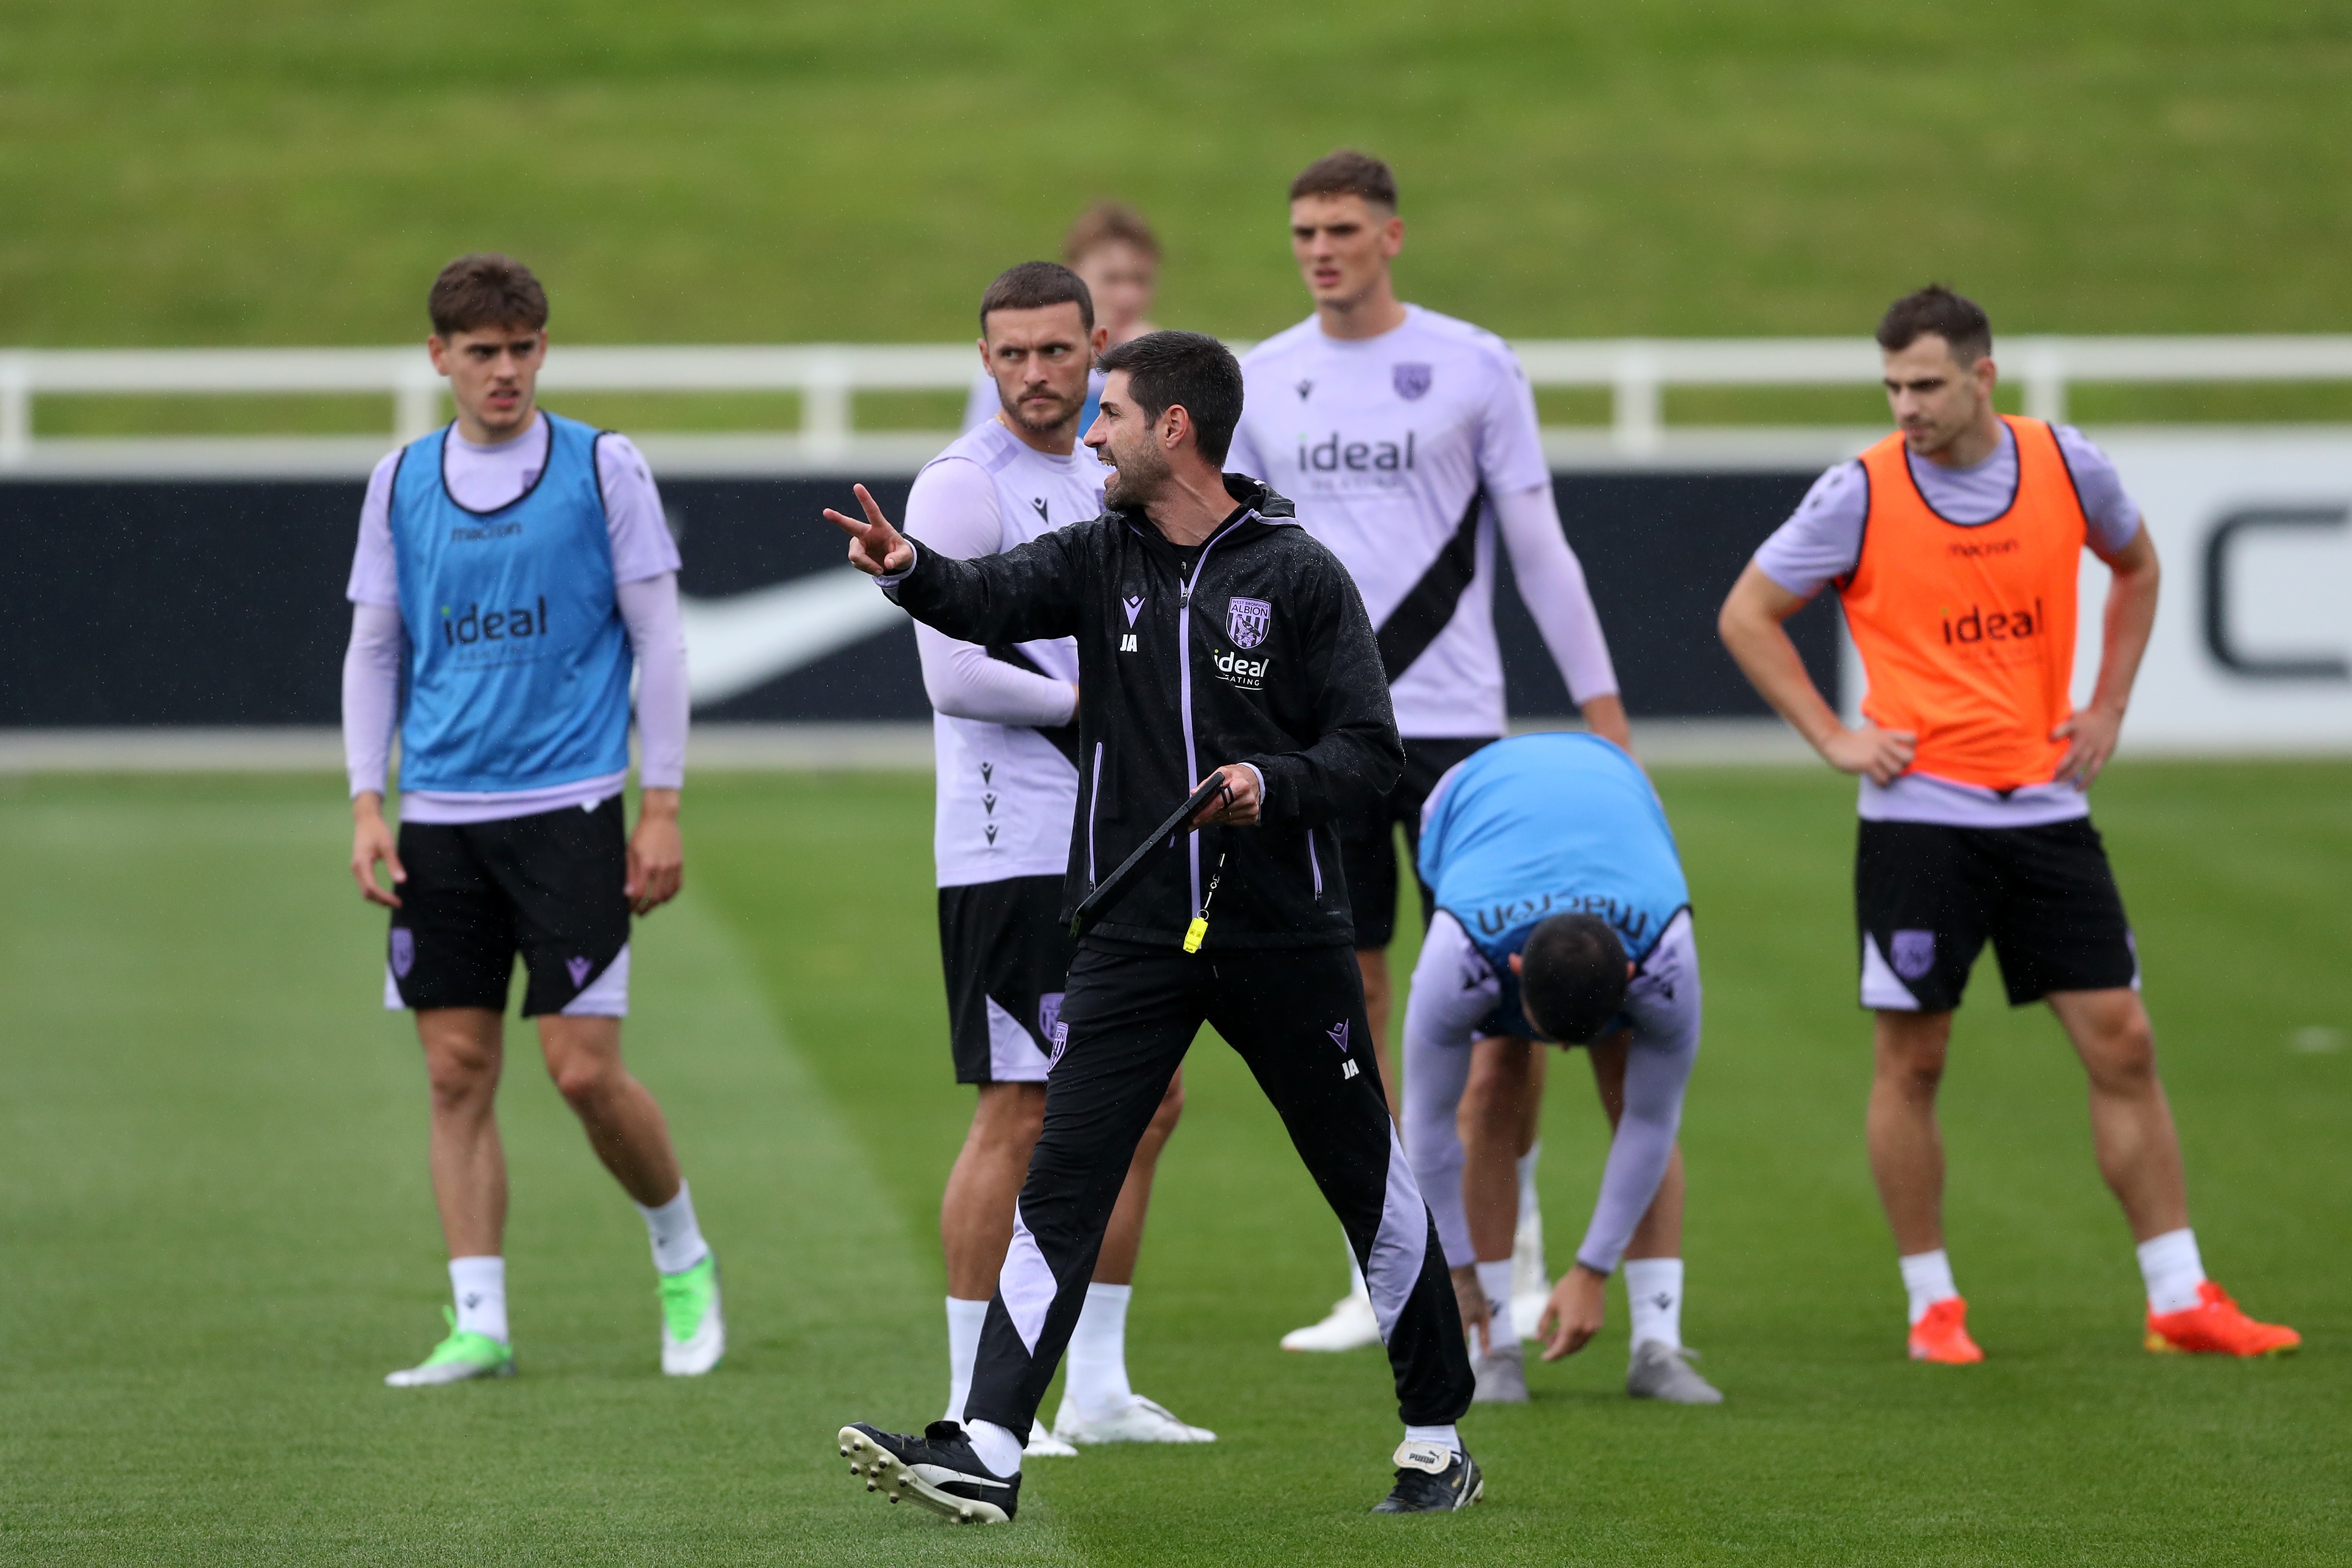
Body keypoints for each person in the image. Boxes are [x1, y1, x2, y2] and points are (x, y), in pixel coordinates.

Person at [825, 331, 1480, 1521]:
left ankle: (1435, 1430)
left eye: (1111, 413)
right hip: (1131, 935)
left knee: (1359, 1171)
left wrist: (1267, 783)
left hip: (1282, 933)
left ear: (1174, 427)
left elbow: (1370, 754)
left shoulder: (1298, 573)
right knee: (1063, 1175)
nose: (1090, 432)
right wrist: (907, 565)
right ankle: (986, 1440)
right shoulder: (1094, 551)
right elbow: (981, 599)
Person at [1717, 285, 2298, 1363]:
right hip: (1916, 820)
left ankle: (2177, 1292)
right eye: (1890, 385)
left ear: (1982, 376)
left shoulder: (2065, 465)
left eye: (1925, 384)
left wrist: (2108, 703)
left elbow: (2134, 566)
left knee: (2121, 1038)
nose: (1905, 406)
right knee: (1913, 1057)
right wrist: (1832, 736)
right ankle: (1930, 1301)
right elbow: (1745, 613)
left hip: (2043, 807)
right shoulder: (1856, 491)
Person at [1224, 148, 1630, 1353]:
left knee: (1503, 996)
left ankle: (1506, 1235)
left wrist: (1601, 711)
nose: (1318, 249)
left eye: (1340, 228)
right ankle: (1388, 1255)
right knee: (1347, 996)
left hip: (1456, 729)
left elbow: (1539, 546)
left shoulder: (1472, 364)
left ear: (1391, 235)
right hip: (1322, 734)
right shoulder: (1262, 375)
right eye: (1301, 230)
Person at [343, 253, 722, 1386]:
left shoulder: (601, 466)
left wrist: (661, 802)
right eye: (481, 352)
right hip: (440, 815)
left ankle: (681, 1252)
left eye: (521, 348)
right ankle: (479, 1318)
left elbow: (660, 638)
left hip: (570, 806)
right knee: (455, 1068)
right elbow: (374, 647)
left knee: (579, 1068)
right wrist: (369, 799)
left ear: (541, 349)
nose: (503, 371)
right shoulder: (400, 479)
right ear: (439, 358)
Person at [911, 261, 1209, 1452]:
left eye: (1056, 351)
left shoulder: (1116, 475)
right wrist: (1104, 706)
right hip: (1014, 841)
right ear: (983, 358)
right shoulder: (961, 485)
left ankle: (1092, 1381)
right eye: (1011, 354)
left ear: (1097, 347)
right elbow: (949, 669)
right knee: (1019, 1109)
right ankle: (972, 1397)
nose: (1036, 375)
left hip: (1120, 841)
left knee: (1147, 1102)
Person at [1399, 732, 1723, 1406]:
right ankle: (1494, 1345)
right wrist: (1455, 1269)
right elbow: (1427, 1128)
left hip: (1620, 797)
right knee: (1491, 1086)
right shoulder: (1458, 955)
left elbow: (1652, 1117)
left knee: (1629, 1087)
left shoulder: (1667, 952)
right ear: (1511, 976)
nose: (1569, 1055)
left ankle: (1657, 1343)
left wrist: (1591, 1269)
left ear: (1631, 977)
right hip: (1468, 802)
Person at [961, 201, 1163, 436]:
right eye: (1112, 279)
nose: (1128, 297)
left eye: (1140, 280)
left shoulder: (1166, 371)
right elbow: (981, 455)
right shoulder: (1021, 371)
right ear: (1074, 275)